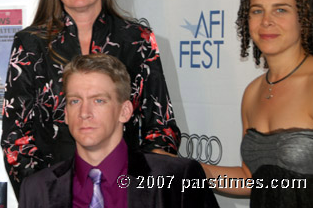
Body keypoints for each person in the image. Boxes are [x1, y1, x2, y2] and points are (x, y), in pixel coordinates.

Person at [1, 0, 180, 197]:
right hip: (55, 194)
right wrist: (48, 194)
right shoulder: (30, 44)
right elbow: (16, 138)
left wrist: (140, 192)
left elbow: (161, 128)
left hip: (127, 192)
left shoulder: (138, 40)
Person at [18, 53, 218, 208]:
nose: (84, 113)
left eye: (99, 100)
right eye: (75, 101)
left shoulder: (177, 179)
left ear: (125, 111)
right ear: (66, 113)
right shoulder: (37, 189)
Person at [202, 0, 313, 206]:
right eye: (257, 11)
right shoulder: (253, 92)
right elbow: (251, 180)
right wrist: (195, 171)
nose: (266, 21)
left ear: (303, 17)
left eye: (280, 10)